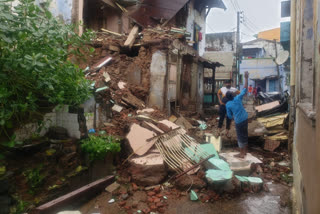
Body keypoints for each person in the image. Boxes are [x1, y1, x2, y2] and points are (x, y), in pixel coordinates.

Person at [226, 71, 249, 158]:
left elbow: (229, 116)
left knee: (240, 137)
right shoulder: (238, 98)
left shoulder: (228, 104)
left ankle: (241, 153)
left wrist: (231, 119)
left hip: (239, 121)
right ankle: (245, 152)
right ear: (232, 95)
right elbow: (245, 89)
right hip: (245, 118)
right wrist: (246, 78)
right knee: (245, 134)